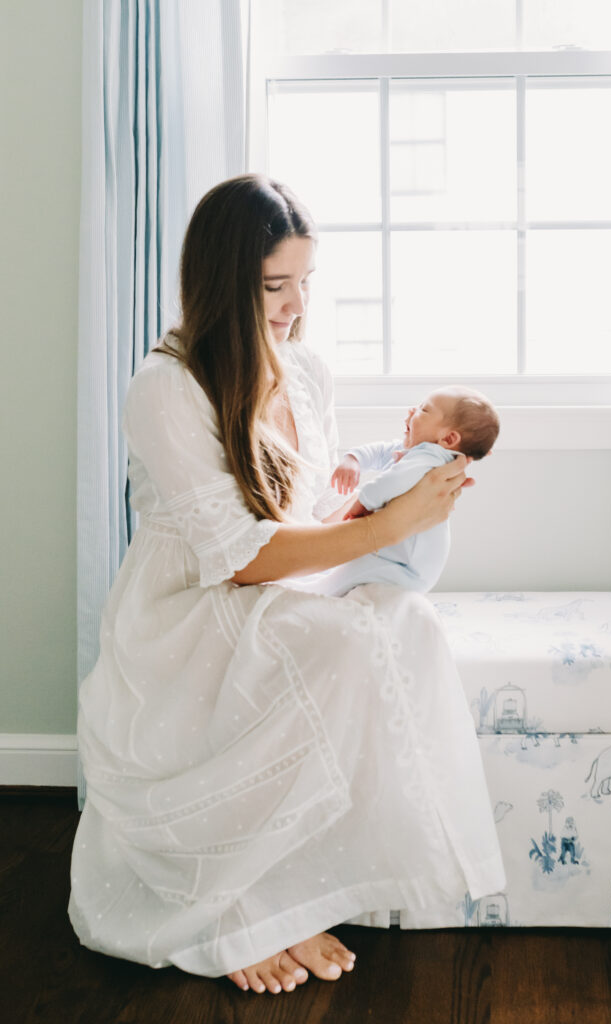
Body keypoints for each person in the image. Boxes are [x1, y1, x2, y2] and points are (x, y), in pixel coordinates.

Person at [68, 174, 505, 996]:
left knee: (403, 622)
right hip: (191, 611)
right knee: (340, 642)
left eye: (306, 282)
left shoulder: (306, 374)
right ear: (221, 279)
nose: (295, 305)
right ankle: (242, 904)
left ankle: (288, 888)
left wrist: (400, 517)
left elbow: (309, 512)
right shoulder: (164, 388)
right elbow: (237, 555)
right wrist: (388, 525)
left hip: (275, 588)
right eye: (275, 286)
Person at [286, 386, 499, 597]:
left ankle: (307, 593)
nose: (411, 410)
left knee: (342, 576)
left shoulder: (429, 459)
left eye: (424, 410)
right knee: (347, 569)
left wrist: (361, 504)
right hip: (402, 559)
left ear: (448, 439)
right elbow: (381, 451)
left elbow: (390, 483)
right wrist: (354, 459)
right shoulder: (418, 454)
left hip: (405, 566)